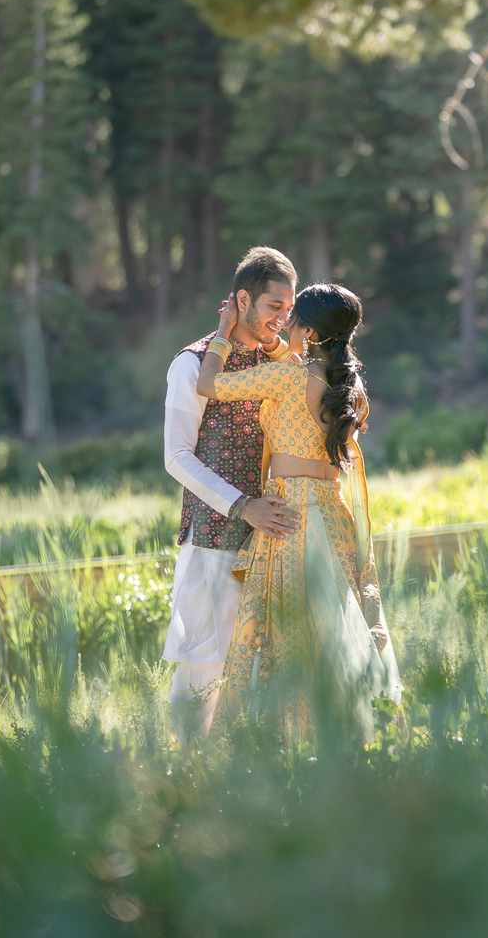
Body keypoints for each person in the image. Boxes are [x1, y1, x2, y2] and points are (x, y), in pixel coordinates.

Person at [197, 283, 402, 745]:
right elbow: (298, 369)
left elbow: (207, 384)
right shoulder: (350, 387)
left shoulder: (289, 379)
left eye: (292, 321)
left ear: (307, 330)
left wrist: (222, 334)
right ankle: (357, 737)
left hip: (290, 514)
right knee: (338, 628)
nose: (284, 325)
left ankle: (295, 741)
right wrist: (279, 345)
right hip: (333, 513)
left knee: (292, 632)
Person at [162, 246, 302, 738]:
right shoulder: (192, 363)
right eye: (273, 307)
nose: (283, 320)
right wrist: (244, 507)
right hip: (216, 534)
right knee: (206, 662)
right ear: (242, 300)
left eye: (289, 309)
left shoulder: (278, 364)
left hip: (274, 537)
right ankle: (181, 780)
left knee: (268, 661)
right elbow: (176, 457)